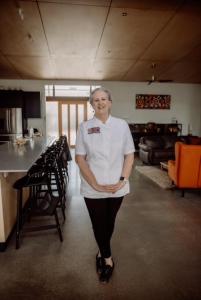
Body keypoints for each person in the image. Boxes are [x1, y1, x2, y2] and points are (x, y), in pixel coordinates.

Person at [75, 87, 135, 283]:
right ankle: (107, 260)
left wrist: (122, 180)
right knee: (98, 223)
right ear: (91, 105)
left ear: (110, 102)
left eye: (103, 99)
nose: (100, 102)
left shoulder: (121, 125)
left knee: (109, 223)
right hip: (93, 186)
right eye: (95, 100)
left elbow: (129, 154)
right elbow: (80, 158)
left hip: (117, 186)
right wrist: (96, 184)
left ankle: (101, 251)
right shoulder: (84, 127)